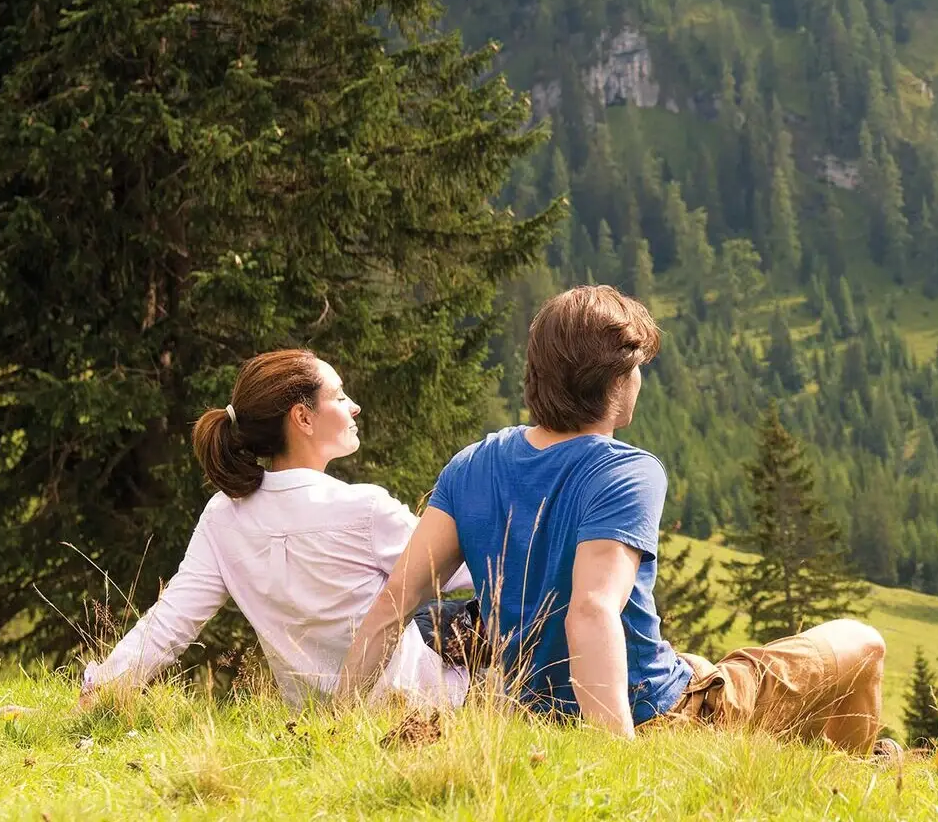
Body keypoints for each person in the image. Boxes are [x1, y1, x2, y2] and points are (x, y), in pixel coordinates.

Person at [339, 285, 891, 754]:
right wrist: (619, 764)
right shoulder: (625, 472)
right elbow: (591, 611)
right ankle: (847, 777)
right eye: (637, 370)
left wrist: (336, 724)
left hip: (535, 720)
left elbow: (394, 601)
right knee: (859, 641)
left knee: (697, 661)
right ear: (616, 380)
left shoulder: (472, 463)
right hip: (655, 720)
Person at [80, 350, 471, 709]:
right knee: (471, 612)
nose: (354, 407)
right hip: (420, 707)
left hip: (309, 715)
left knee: (430, 614)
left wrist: (99, 693)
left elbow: (170, 623)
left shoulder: (224, 515)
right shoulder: (365, 509)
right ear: (302, 418)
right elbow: (476, 571)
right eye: (338, 396)